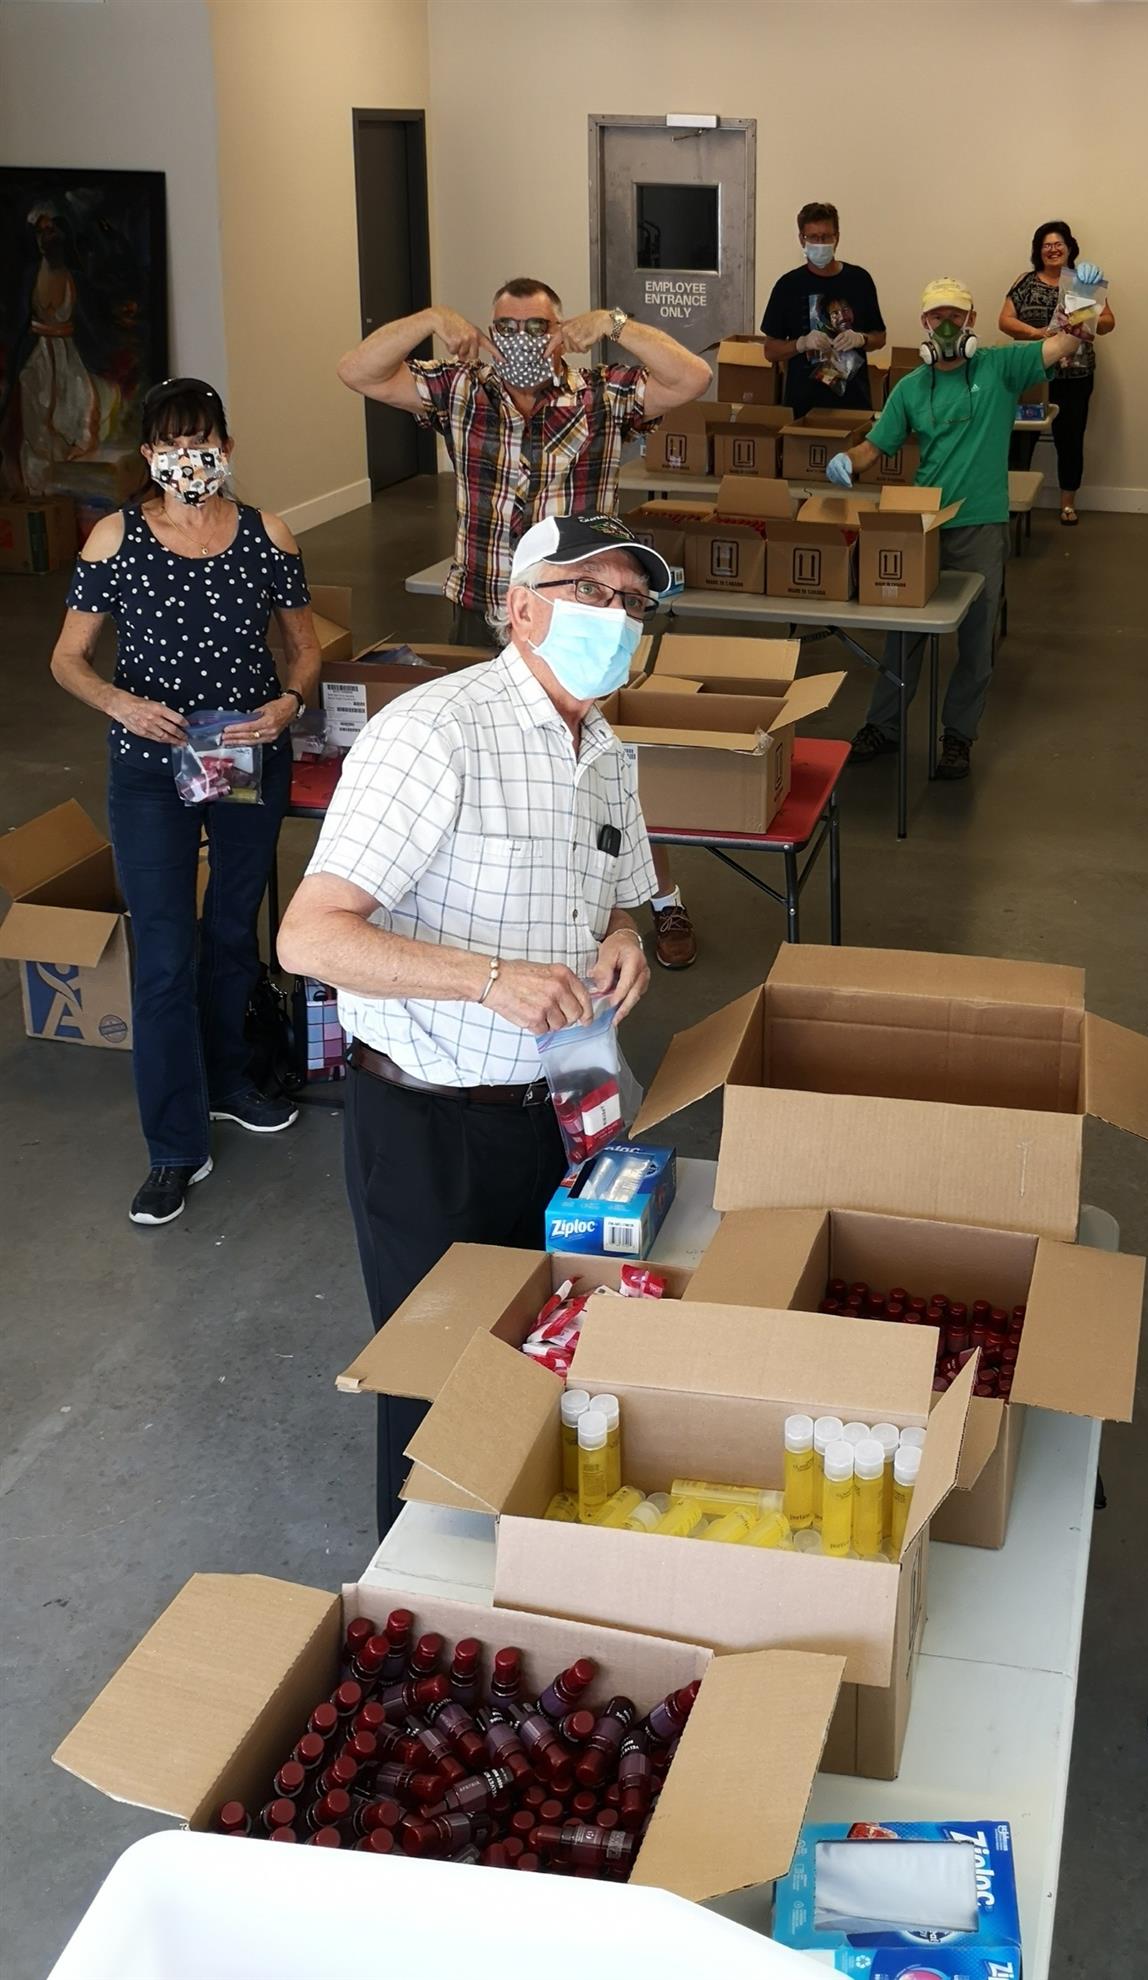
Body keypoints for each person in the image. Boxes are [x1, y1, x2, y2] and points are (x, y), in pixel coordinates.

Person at [277, 515, 663, 1535]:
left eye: (633, 602)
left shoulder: (607, 750)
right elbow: (309, 938)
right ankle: (428, 1605)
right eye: (592, 592)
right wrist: (487, 980)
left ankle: (525, 1575)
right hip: (430, 1128)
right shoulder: (435, 733)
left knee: (546, 1362)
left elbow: (615, 897)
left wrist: (624, 936)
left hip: (563, 1113)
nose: (618, 617)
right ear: (521, 607)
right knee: (439, 1398)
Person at [336, 277, 709, 969]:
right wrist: (431, 316)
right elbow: (358, 370)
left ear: (561, 331)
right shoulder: (460, 390)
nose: (519, 341)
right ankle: (501, 897)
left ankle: (658, 897)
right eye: (505, 327)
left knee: (602, 764)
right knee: (480, 754)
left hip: (580, 618)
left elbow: (691, 377)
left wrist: (615, 324)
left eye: (536, 328)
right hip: (483, 607)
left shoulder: (602, 395)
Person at [48, 377, 323, 1226]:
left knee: (233, 927)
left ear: (226, 449)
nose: (185, 458)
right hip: (149, 768)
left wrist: (289, 703)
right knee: (165, 951)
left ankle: (230, 1080)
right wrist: (120, 704)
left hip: (240, 757)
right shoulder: (116, 538)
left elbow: (305, 648)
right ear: (148, 456)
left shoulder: (267, 534)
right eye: (168, 445)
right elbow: (67, 659)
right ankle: (173, 1145)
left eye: (199, 441)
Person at [829, 278, 1085, 781]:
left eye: (955, 315)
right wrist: (846, 461)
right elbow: (875, 446)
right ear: (924, 323)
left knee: (976, 638)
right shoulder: (910, 387)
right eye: (936, 316)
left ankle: (959, 736)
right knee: (904, 635)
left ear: (971, 320)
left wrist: (1084, 301)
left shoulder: (1000, 367)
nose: (946, 325)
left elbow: (1065, 345)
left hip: (980, 523)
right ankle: (883, 725)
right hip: (923, 526)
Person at [999, 221, 1114, 523]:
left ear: (1069, 247)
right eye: (1046, 245)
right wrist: (1039, 335)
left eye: (1058, 244)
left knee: (1071, 439)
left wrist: (1085, 315)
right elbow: (1005, 321)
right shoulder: (1025, 281)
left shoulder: (1083, 282)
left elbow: (1108, 323)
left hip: (1075, 376)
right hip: (1031, 374)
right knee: (1020, 440)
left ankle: (1067, 504)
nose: (1052, 249)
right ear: (1038, 251)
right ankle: (1012, 501)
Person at [760, 202, 887, 419]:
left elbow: (880, 337)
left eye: (826, 237)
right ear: (802, 239)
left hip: (853, 405)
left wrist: (862, 339)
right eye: (813, 237)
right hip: (803, 409)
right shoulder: (788, 286)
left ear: (837, 237)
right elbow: (770, 351)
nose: (820, 243)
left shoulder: (860, 280)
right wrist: (801, 344)